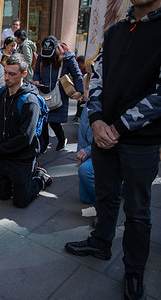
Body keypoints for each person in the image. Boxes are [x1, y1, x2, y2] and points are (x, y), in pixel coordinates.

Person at [65, 1, 161, 299]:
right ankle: (101, 241)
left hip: (140, 142)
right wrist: (95, 121)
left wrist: (117, 128)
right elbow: (97, 78)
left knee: (137, 212)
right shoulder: (115, 31)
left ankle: (134, 270)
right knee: (105, 195)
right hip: (103, 133)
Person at [0, 54, 52, 208]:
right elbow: (5, 121)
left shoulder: (30, 101)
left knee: (20, 202)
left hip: (22, 155)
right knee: (2, 195)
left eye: (12, 74)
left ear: (24, 74)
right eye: (6, 73)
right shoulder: (3, 93)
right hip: (5, 154)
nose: (7, 77)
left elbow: (25, 137)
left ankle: (40, 177)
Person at [33, 36, 83, 152]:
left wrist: (79, 91)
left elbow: (77, 74)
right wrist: (36, 80)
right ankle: (44, 143)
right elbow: (36, 72)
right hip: (43, 91)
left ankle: (61, 139)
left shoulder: (67, 58)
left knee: (55, 121)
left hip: (59, 93)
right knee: (43, 121)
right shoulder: (41, 57)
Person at [76, 100, 95, 207]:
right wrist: (81, 155)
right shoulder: (90, 102)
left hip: (108, 151)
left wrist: (88, 151)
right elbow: (82, 131)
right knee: (85, 198)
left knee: (86, 171)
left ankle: (103, 208)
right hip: (91, 150)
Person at [72, 55, 87, 123]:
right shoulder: (80, 72)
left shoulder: (87, 74)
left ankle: (79, 116)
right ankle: (78, 116)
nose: (80, 68)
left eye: (81, 66)